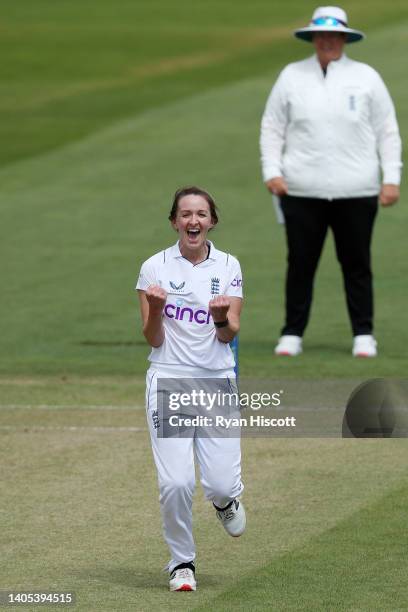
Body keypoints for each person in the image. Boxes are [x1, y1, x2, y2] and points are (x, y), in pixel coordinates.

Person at [260, 6, 402, 357]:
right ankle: (292, 333)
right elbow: (272, 127)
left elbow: (388, 130)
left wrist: (392, 178)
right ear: (312, 38)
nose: (327, 42)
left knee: (356, 264)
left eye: (334, 36)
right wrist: (272, 171)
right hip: (301, 188)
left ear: (344, 38)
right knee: (301, 263)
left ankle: (363, 335)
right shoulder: (292, 76)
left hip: (357, 188)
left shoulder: (366, 77)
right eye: (321, 36)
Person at [136, 186, 245, 592]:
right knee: (176, 482)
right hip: (168, 377)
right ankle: (182, 562)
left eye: (201, 214)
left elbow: (229, 333)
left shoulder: (229, 265)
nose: (193, 221)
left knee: (218, 482)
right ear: (174, 221)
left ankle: (225, 500)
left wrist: (220, 318)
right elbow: (152, 338)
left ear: (211, 220)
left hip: (215, 379)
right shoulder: (153, 268)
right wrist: (158, 309)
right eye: (185, 214)